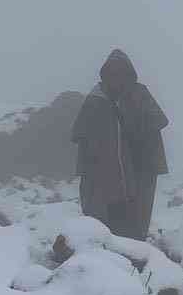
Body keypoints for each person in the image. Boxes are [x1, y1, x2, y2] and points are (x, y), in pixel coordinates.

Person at [71, 49, 169, 240]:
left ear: (129, 74)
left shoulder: (139, 94)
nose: (117, 77)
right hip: (103, 176)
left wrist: (130, 115)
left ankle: (134, 262)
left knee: (133, 228)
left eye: (121, 72)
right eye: (112, 72)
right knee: (103, 228)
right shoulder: (95, 100)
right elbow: (79, 135)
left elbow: (157, 122)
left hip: (138, 172)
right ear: (105, 74)